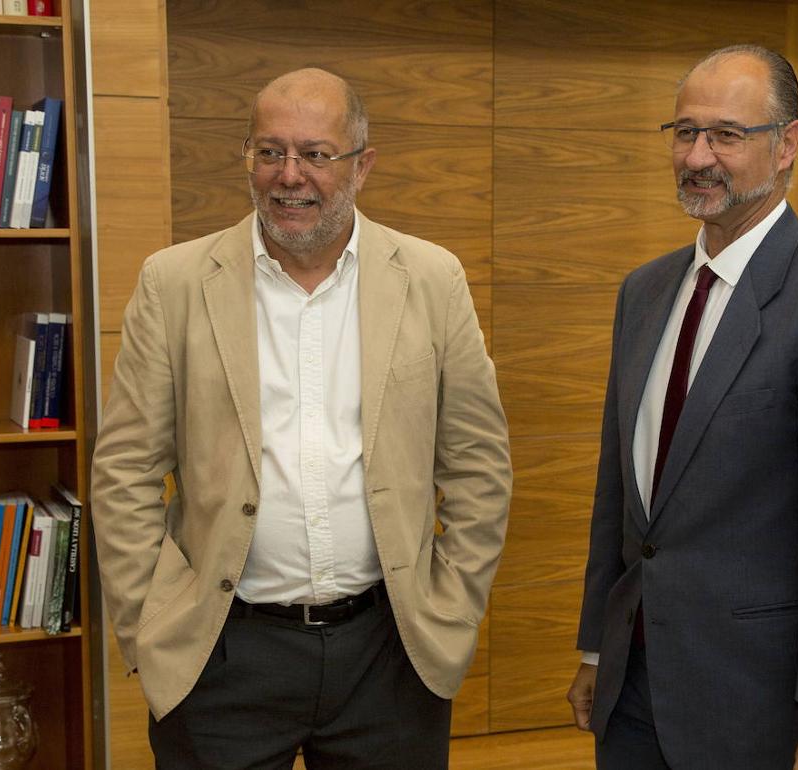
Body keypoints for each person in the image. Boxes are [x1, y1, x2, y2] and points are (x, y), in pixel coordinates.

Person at [90, 68, 511, 769]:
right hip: (223, 656)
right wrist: (150, 622)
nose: (290, 176)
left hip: (391, 653)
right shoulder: (174, 284)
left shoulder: (433, 280)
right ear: (247, 159)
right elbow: (124, 472)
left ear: (362, 165)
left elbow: (478, 466)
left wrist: (451, 610)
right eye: (269, 152)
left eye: (316, 154)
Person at [566, 45, 798, 769]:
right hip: (632, 693)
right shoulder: (645, 291)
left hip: (756, 706)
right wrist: (598, 648)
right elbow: (621, 497)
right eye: (685, 132)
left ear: (786, 145)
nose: (698, 156)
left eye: (726, 134)